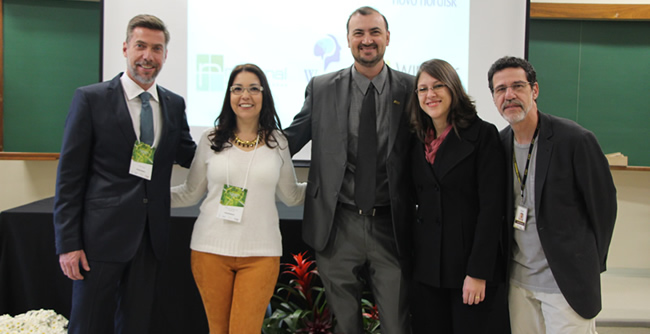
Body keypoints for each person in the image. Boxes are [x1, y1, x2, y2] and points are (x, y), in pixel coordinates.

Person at [53, 14, 196, 334]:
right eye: (141, 46)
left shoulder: (174, 104)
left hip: (150, 239)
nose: (148, 56)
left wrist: (238, 145)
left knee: (136, 325)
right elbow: (69, 178)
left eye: (156, 49)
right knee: (88, 324)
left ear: (165, 55)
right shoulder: (90, 99)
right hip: (97, 241)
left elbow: (189, 153)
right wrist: (68, 243)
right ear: (125, 48)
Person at [284, 6, 415, 334]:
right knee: (344, 324)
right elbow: (291, 138)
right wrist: (241, 142)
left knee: (398, 324)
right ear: (347, 40)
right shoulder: (322, 87)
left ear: (387, 38)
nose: (367, 40)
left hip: (392, 225)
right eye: (359, 33)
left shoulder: (413, 89)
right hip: (337, 223)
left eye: (374, 32)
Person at [170, 63, 306, 334]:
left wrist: (329, 186)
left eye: (254, 89)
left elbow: (291, 196)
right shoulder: (210, 139)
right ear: (229, 96)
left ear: (264, 95)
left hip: (261, 253)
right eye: (238, 89)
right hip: (209, 250)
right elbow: (189, 192)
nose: (245, 95)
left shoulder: (278, 142)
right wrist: (143, 195)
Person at [488, 56, 617, 333]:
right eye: (500, 89)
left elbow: (603, 208)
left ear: (534, 90)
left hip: (565, 285)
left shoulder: (574, 140)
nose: (509, 95)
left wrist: (587, 265)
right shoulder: (498, 145)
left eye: (517, 86)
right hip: (518, 285)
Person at [407, 59, 506, 333]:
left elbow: (491, 209)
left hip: (468, 271)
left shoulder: (483, 135)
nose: (431, 94)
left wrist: (478, 272)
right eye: (423, 89)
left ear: (453, 89)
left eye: (438, 86)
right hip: (427, 271)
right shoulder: (416, 140)